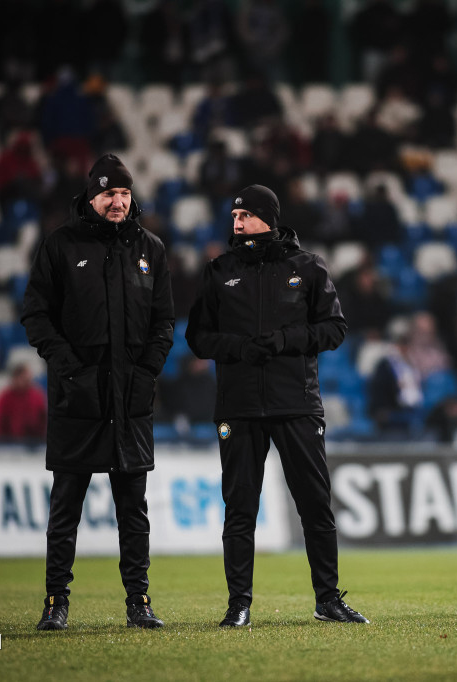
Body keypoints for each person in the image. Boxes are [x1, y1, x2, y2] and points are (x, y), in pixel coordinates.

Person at [186, 184, 369, 627]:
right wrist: (239, 348)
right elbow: (197, 338)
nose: (237, 223)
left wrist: (287, 340)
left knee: (315, 505)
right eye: (234, 217)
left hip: (297, 405)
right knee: (240, 508)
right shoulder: (219, 270)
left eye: (245, 216)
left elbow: (335, 329)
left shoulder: (307, 268)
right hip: (239, 407)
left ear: (267, 217)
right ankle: (238, 605)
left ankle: (328, 599)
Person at [22, 153, 175, 631]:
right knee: (65, 508)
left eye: (125, 193)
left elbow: (164, 321)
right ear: (92, 198)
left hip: (130, 402)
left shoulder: (151, 248)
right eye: (110, 193)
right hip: (77, 401)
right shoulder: (60, 245)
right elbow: (35, 313)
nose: (119, 201)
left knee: (134, 513)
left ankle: (139, 603)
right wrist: (68, 368)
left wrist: (147, 372)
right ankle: (55, 603)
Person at [0, 363, 47, 441]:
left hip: (34, 442)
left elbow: (43, 420)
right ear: (15, 378)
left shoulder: (37, 396)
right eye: (24, 379)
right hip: (8, 442)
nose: (28, 382)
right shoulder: (4, 398)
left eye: (29, 380)